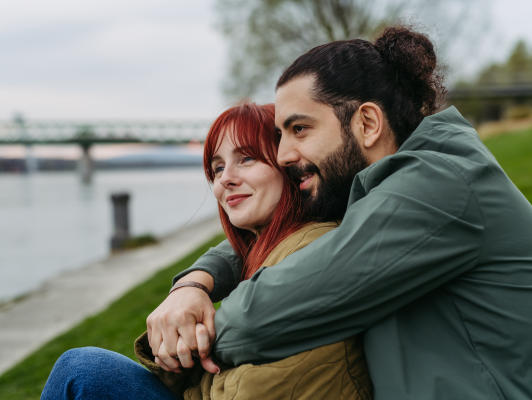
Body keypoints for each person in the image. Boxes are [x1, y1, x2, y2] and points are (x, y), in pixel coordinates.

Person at [148, 25, 532, 399]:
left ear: (367, 124)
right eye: (280, 136)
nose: (283, 155)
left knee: (90, 373)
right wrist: (194, 283)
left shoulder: (438, 186)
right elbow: (275, 226)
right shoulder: (382, 190)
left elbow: (263, 319)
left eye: (300, 129)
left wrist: (184, 341)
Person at [41, 102, 372, 399]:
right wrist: (191, 287)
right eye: (216, 168)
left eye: (246, 158)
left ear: (289, 165)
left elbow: (252, 389)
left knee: (80, 370)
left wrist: (185, 347)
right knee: (85, 369)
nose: (225, 179)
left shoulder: (311, 251)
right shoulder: (267, 247)